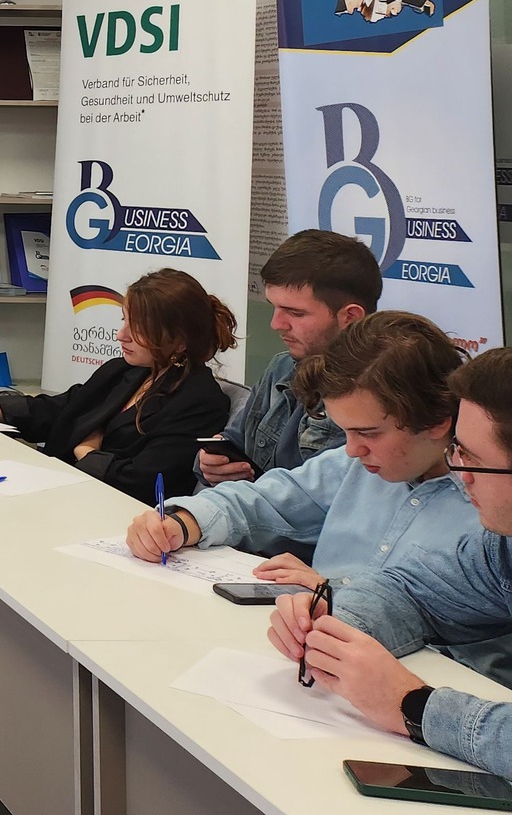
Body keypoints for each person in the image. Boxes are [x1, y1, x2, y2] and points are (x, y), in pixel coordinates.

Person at [129, 313, 511, 677]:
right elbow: (265, 501)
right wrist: (183, 522)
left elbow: (473, 648)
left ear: (437, 422)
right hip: (317, 659)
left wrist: (335, 592)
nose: (352, 450)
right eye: (346, 431)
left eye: (368, 433)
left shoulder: (497, 509)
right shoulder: (356, 466)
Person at [269, 348, 512, 773]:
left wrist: (411, 703)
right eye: (458, 451)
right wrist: (332, 620)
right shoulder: (502, 550)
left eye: (474, 459)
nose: (461, 473)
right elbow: (414, 591)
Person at [0, 267, 235, 501]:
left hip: (113, 514)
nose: (121, 335)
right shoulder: (125, 370)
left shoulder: (200, 401)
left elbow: (145, 481)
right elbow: (58, 409)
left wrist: (87, 452)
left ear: (179, 341)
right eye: (123, 320)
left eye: (137, 328)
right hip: (62, 491)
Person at [202, 228, 381, 487]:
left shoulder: (377, 392)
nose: (276, 324)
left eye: (295, 313)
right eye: (274, 307)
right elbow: (235, 439)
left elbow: (320, 499)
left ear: (350, 317)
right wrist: (212, 462)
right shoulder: (281, 367)